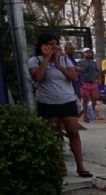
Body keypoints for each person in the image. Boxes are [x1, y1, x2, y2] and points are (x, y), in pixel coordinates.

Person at [28, 34, 92, 178]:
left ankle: (80, 167)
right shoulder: (35, 60)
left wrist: (58, 65)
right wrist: (45, 60)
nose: (54, 47)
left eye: (56, 44)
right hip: (48, 103)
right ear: (42, 46)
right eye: (50, 44)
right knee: (54, 136)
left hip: (67, 101)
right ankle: (60, 166)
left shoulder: (64, 59)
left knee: (74, 133)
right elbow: (38, 77)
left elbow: (74, 77)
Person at [76, 47, 100, 122]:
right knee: (85, 100)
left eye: (90, 52)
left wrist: (98, 80)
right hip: (84, 83)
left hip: (93, 83)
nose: (89, 53)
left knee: (94, 99)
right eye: (87, 52)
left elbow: (97, 71)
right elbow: (77, 72)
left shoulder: (93, 62)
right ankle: (85, 116)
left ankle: (93, 115)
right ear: (83, 54)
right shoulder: (80, 62)